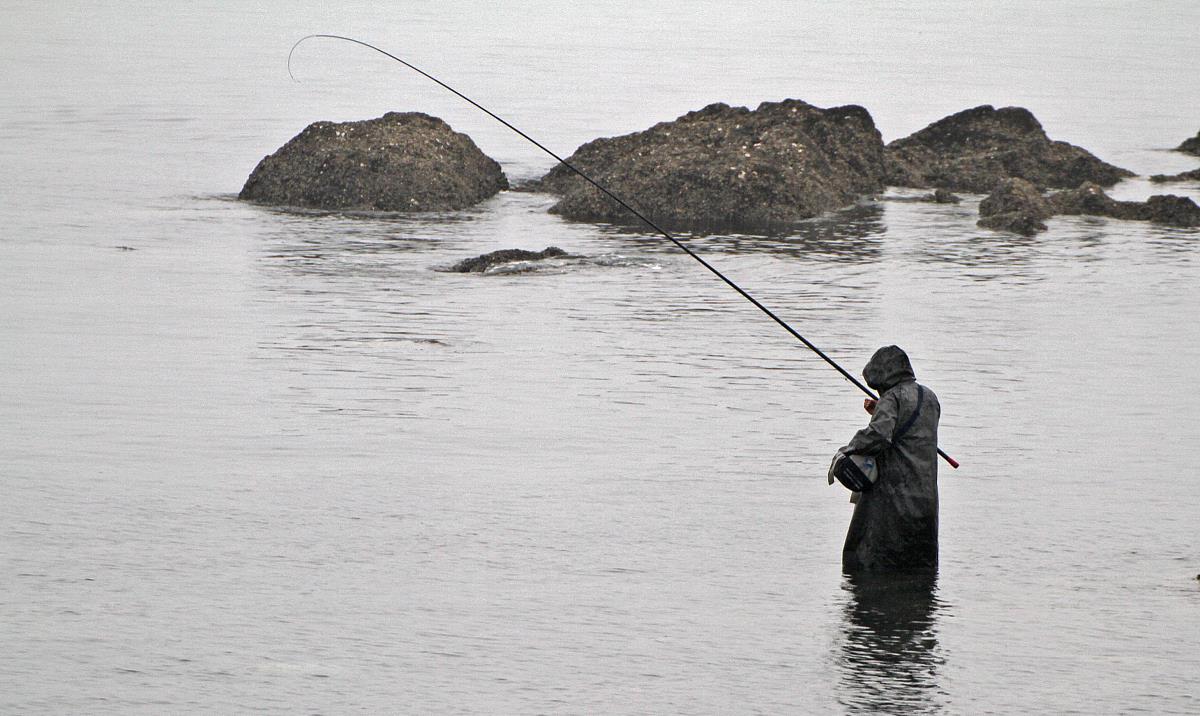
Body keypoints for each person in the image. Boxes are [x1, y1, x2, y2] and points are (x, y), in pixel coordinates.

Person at [838, 345, 941, 572]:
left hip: (892, 502)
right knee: (917, 568)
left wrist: (846, 451)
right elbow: (911, 432)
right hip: (925, 502)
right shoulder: (930, 398)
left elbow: (878, 436)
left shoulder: (893, 398)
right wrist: (880, 411)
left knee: (867, 564)